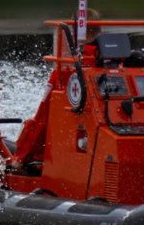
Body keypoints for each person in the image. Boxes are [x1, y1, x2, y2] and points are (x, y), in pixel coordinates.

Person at [9, 9, 101, 169]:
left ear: (74, 31)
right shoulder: (116, 64)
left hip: (73, 159)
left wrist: (21, 157)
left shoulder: (64, 73)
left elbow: (42, 117)